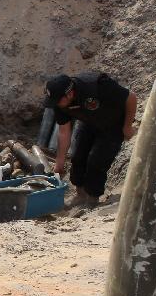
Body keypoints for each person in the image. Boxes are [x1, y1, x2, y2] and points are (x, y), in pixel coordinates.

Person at [43, 72, 137, 207]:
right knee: (77, 157)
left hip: (113, 125)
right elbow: (64, 132)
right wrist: (59, 163)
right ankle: (80, 195)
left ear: (69, 94)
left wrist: (127, 126)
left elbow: (131, 98)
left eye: (57, 101)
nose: (55, 104)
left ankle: (92, 198)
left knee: (96, 161)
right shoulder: (60, 103)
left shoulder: (97, 86)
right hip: (89, 121)